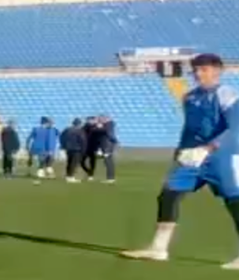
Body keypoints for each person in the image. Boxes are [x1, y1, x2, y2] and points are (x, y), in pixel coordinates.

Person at [124, 54, 239, 268]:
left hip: (223, 156)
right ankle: (158, 248)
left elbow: (235, 127)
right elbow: (189, 128)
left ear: (217, 71)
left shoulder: (227, 94)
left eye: (203, 69)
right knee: (169, 194)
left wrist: (210, 148)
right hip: (192, 157)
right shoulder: (190, 97)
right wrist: (180, 151)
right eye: (195, 70)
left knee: (234, 201)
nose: (198, 74)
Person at [60, 118, 87, 184]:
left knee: (69, 162)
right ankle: (71, 177)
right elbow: (82, 140)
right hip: (77, 149)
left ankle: (68, 176)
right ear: (79, 124)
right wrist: (84, 150)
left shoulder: (67, 129)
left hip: (68, 149)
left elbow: (61, 138)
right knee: (74, 163)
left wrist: (63, 146)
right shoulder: (80, 131)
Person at [92, 115, 117, 183]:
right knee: (108, 161)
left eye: (100, 119)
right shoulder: (108, 125)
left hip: (107, 146)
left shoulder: (108, 125)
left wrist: (98, 126)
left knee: (108, 161)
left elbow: (101, 131)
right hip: (106, 146)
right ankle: (110, 178)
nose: (99, 121)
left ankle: (110, 178)